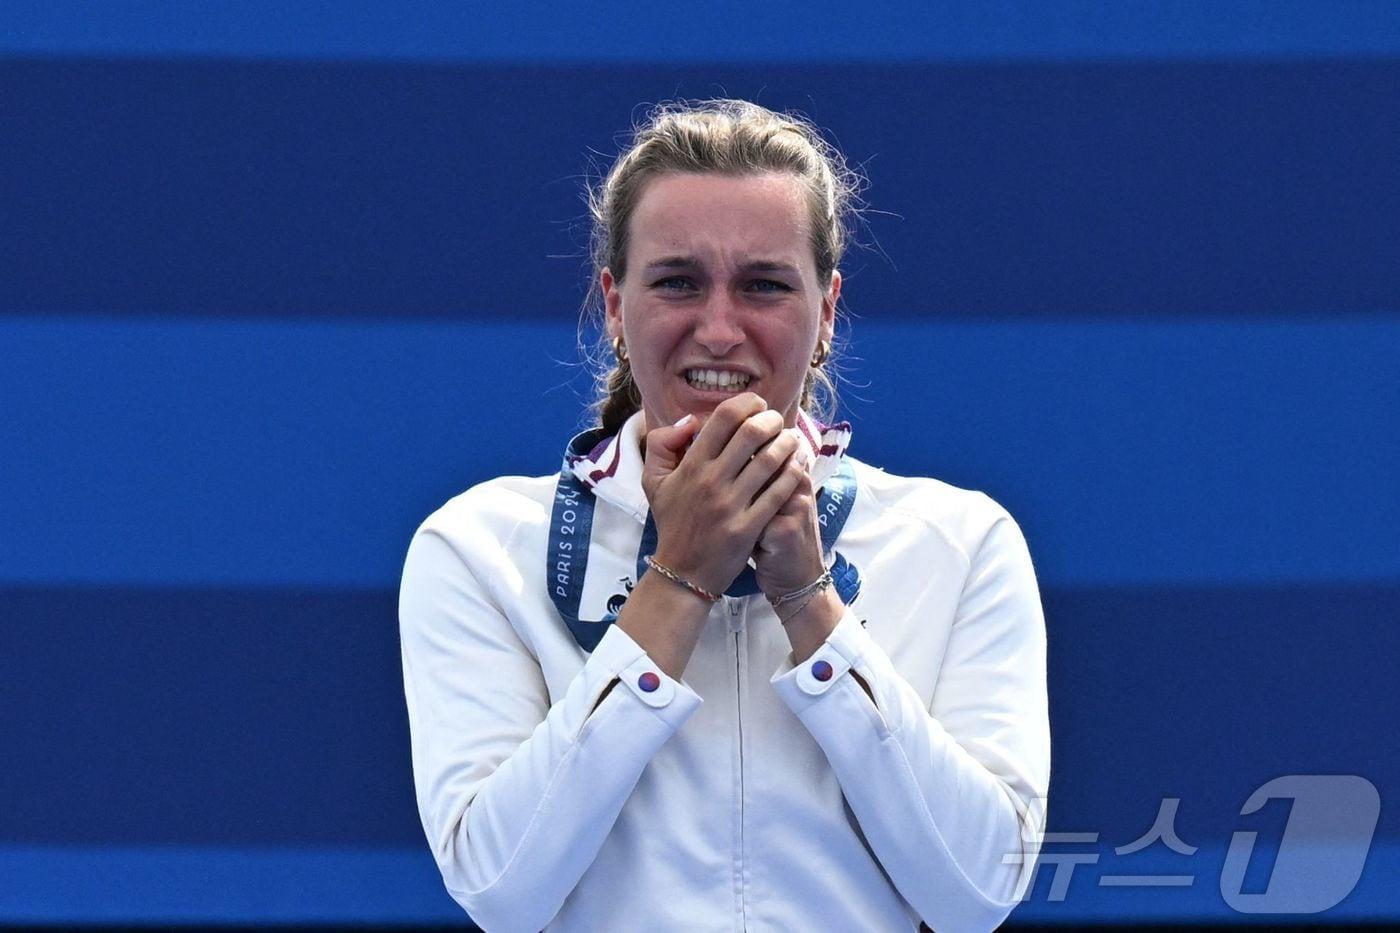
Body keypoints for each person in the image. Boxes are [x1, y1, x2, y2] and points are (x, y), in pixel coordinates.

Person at [398, 98, 1050, 932]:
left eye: (763, 285)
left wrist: (810, 601)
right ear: (613, 305)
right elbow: (501, 891)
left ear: (827, 312)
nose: (717, 329)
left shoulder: (961, 543)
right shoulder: (479, 547)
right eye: (677, 281)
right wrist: (677, 581)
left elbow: (978, 894)